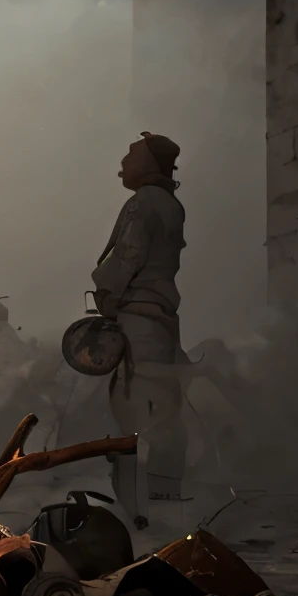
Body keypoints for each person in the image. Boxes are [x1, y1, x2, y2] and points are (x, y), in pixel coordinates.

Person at [91, 131, 188, 526]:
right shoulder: (171, 204)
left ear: (148, 163)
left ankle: (139, 509)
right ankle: (165, 496)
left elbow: (127, 257)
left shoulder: (143, 203)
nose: (124, 161)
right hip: (161, 321)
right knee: (162, 405)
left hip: (138, 322)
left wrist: (107, 293)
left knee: (134, 409)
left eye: (132, 154)